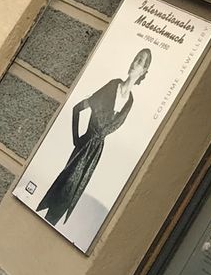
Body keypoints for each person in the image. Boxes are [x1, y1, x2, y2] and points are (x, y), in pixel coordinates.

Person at [37, 48, 152, 227]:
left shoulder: (130, 102)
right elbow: (78, 108)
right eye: (135, 58)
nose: (133, 63)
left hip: (95, 153)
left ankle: (50, 222)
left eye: (139, 61)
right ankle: (45, 221)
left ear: (144, 71)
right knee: (64, 187)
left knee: (73, 191)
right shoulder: (113, 85)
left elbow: (112, 125)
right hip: (84, 146)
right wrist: (77, 139)